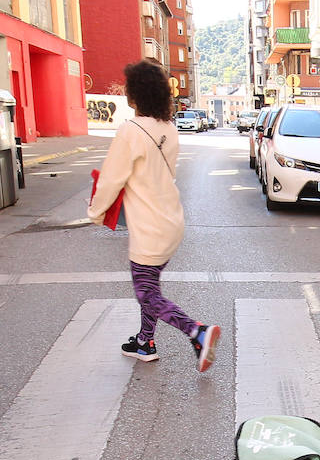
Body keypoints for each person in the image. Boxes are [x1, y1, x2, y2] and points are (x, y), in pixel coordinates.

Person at [88, 57, 221, 372]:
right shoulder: (168, 128)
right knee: (150, 285)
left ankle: (197, 332)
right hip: (171, 221)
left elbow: (111, 179)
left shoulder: (130, 130)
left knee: (146, 294)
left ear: (134, 96)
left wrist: (95, 212)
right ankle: (144, 342)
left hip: (148, 227)